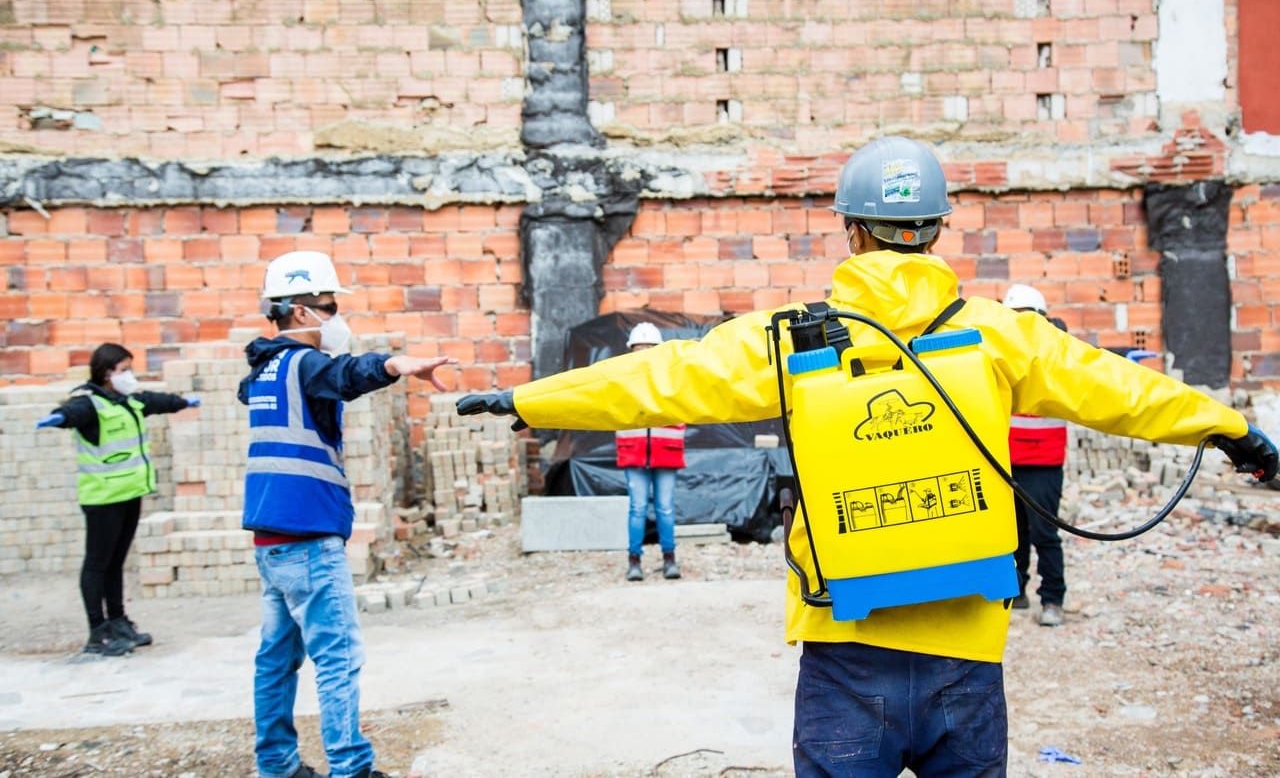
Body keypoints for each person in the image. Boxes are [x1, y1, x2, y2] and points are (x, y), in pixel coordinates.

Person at [455, 136, 1278, 776]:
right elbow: (1124, 390)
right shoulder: (1000, 335)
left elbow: (662, 378)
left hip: (845, 654)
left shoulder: (789, 338)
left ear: (852, 226)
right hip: (968, 657)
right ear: (935, 229)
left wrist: (531, 400)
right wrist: (1231, 431)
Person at [240, 250, 455, 778]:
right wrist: (395, 364)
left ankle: (277, 764)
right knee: (336, 656)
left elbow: (310, 382)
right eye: (328, 306)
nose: (335, 316)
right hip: (309, 537)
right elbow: (345, 374)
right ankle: (351, 767)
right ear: (299, 311)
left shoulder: (263, 369)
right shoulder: (303, 362)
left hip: (271, 538)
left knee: (275, 660)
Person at [35, 342, 199, 656]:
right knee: (97, 563)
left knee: (116, 562)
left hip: (129, 494)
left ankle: (118, 620)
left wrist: (182, 403)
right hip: (102, 499)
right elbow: (72, 413)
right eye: (124, 370)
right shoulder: (90, 404)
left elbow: (155, 401)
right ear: (107, 372)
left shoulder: (127, 401)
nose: (129, 375)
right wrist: (57, 418)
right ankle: (98, 633)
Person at [1001, 283, 1070, 627]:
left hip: (1044, 461)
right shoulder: (1000, 353)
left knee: (1045, 533)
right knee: (1013, 533)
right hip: (1007, 459)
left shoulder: (1056, 354)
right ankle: (1016, 590)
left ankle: (1053, 599)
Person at [615, 322, 685, 581]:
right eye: (639, 348)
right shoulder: (623, 379)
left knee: (665, 508)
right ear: (631, 350)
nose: (644, 352)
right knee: (638, 508)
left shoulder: (671, 377)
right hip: (634, 452)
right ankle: (634, 562)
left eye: (649, 348)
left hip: (665, 451)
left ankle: (670, 560)